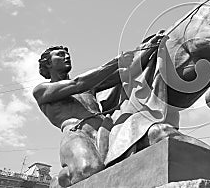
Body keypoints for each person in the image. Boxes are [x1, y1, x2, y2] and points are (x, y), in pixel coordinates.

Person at [33, 34, 164, 187]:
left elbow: (123, 75)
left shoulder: (89, 86)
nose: (67, 56)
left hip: (106, 130)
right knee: (89, 168)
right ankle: (61, 179)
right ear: (48, 64)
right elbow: (78, 83)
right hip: (77, 133)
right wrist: (117, 62)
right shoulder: (41, 90)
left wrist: (147, 50)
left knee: (152, 137)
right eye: (60, 55)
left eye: (67, 54)